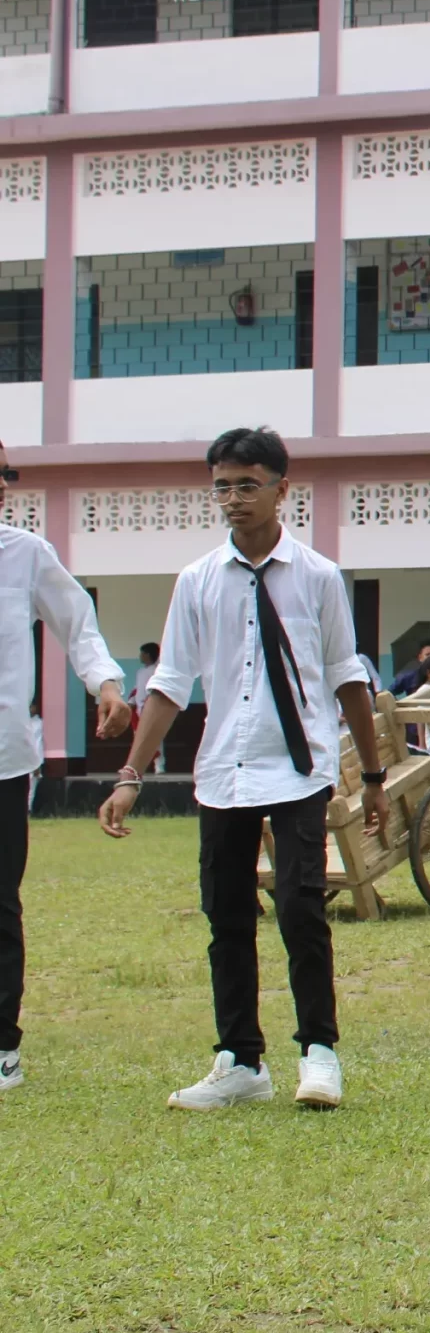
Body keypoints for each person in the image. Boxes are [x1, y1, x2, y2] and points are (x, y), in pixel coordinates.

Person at [100, 426, 387, 1113]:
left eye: (247, 485)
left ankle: (319, 1053)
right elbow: (171, 683)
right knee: (226, 915)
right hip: (224, 771)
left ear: (282, 489)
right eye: (222, 486)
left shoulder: (317, 576)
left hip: (299, 769)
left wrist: (375, 777)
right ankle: (240, 1061)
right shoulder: (197, 581)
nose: (233, 498)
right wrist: (131, 775)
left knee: (299, 906)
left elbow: (348, 677)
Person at [0, 447, 132, 1096]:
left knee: (0, 903)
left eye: (2, 473)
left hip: (3, 760)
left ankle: (2, 1047)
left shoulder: (25, 554)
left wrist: (104, 682)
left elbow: (78, 624)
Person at [132, 642, 165, 772]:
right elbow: (137, 689)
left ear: (148, 654)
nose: (140, 656)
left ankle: (159, 765)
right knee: (139, 737)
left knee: (154, 736)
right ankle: (139, 765)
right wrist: (131, 701)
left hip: (152, 708)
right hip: (139, 709)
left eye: (142, 653)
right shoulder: (140, 672)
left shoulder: (156, 671)